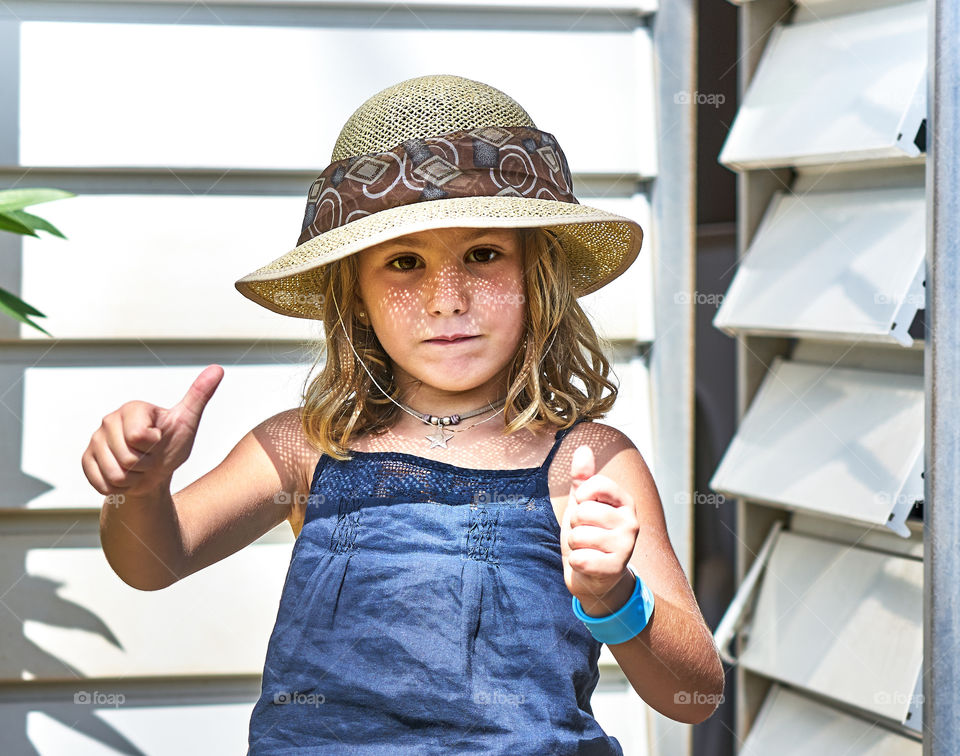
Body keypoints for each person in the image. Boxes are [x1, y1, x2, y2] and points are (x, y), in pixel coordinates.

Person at [83, 74, 724, 755]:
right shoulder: (307, 447)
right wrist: (139, 491)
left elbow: (695, 693)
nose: (447, 299)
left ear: (537, 276)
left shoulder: (583, 461)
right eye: (404, 262)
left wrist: (613, 597)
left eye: (483, 254)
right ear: (354, 293)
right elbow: (152, 561)